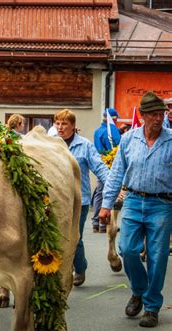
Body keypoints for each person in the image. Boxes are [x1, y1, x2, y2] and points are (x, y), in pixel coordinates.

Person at [99, 91, 172, 328]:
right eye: (153, 114)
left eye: (161, 113)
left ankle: (151, 307)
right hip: (132, 200)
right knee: (127, 249)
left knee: (157, 257)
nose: (158, 119)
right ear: (142, 116)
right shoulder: (129, 139)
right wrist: (106, 204)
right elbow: (116, 173)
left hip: (161, 204)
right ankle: (139, 290)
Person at [55, 109, 109, 287]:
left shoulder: (84, 145)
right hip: (55, 199)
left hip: (80, 200)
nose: (60, 127)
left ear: (73, 126)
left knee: (74, 237)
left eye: (64, 124)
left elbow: (99, 167)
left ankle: (80, 267)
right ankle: (60, 270)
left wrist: (113, 187)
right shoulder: (50, 144)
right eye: (57, 123)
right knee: (57, 237)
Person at [91, 108, 121, 233]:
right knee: (109, 193)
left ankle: (96, 222)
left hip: (101, 164)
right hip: (111, 164)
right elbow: (117, 145)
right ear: (113, 119)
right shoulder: (112, 131)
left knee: (99, 192)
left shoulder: (98, 131)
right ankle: (105, 223)